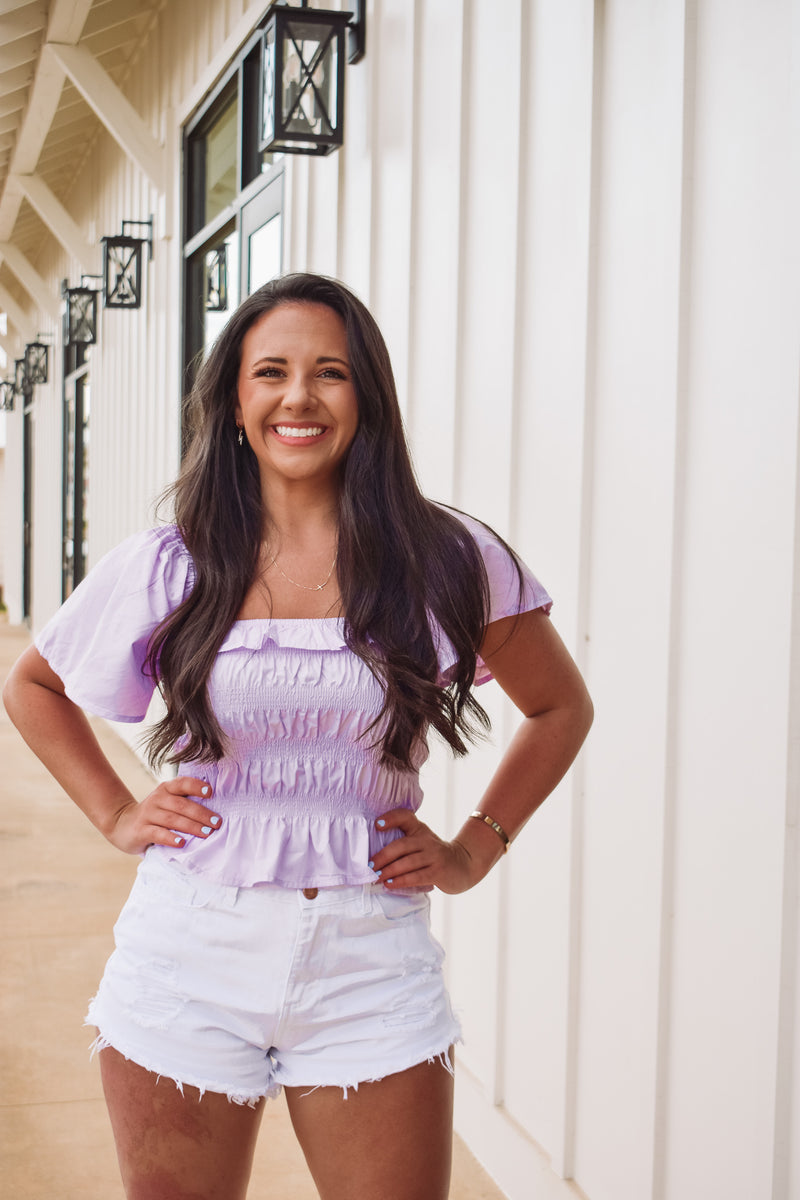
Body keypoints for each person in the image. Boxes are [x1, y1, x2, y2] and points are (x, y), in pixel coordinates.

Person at [3, 272, 593, 1200]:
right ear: (236, 403)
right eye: (270, 371)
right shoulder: (174, 562)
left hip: (371, 962)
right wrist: (117, 813)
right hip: (188, 950)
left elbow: (562, 709)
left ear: (368, 400)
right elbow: (34, 684)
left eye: (332, 373)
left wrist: (476, 849)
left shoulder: (444, 559)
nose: (299, 397)